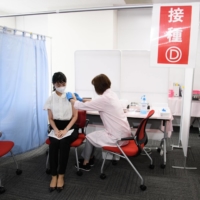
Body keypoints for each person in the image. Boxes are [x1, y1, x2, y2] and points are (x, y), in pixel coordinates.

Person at [67, 74, 131, 171]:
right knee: (93, 136)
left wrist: (71, 99)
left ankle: (86, 163)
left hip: (117, 137)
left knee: (89, 137)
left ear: (98, 87)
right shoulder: (112, 94)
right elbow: (96, 102)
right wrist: (82, 99)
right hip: (125, 134)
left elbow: (80, 106)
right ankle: (90, 157)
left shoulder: (104, 99)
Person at [44, 72, 78, 193]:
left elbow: (75, 116)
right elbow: (51, 119)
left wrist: (65, 130)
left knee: (64, 143)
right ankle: (54, 175)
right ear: (54, 84)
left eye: (63, 83)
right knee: (53, 144)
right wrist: (57, 130)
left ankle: (61, 175)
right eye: (59, 83)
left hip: (70, 126)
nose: (62, 85)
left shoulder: (70, 96)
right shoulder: (50, 99)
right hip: (55, 127)